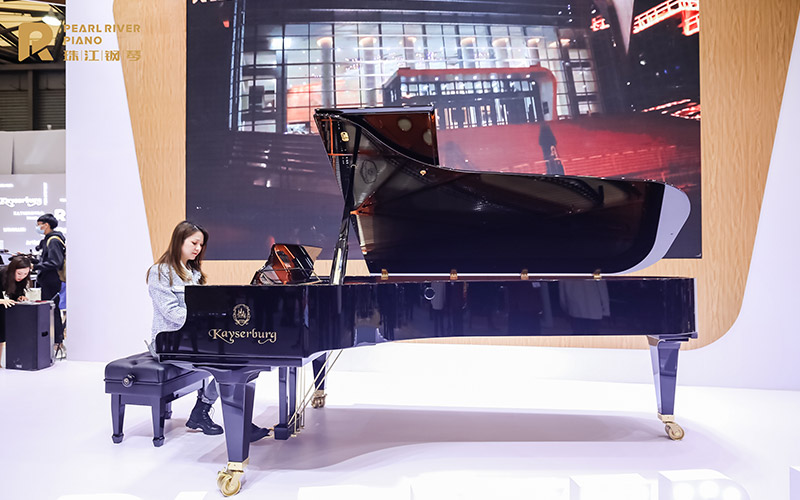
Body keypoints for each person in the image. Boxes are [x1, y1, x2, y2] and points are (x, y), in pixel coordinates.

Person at [147, 221, 269, 441]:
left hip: (190, 339)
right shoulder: (160, 272)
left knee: (239, 360)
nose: (198, 248)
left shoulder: (193, 273)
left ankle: (202, 412)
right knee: (229, 364)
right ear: (179, 241)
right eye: (194, 242)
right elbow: (171, 313)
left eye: (201, 245)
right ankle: (229, 421)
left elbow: (201, 308)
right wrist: (203, 322)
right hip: (168, 342)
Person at [33, 214, 66, 353]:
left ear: (46, 224)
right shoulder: (49, 240)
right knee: (51, 310)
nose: (38, 227)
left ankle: (57, 342)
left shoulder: (53, 240)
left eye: (39, 224)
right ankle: (55, 341)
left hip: (51, 281)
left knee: (53, 311)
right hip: (48, 280)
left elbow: (55, 262)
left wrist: (35, 267)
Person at [0, 256, 31, 367]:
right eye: (19, 274)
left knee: (2, 335)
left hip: (5, 308)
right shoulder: (1, 274)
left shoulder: (21, 280)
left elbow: (16, 293)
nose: (22, 277)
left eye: (25, 274)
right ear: (13, 270)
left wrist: (20, 297)